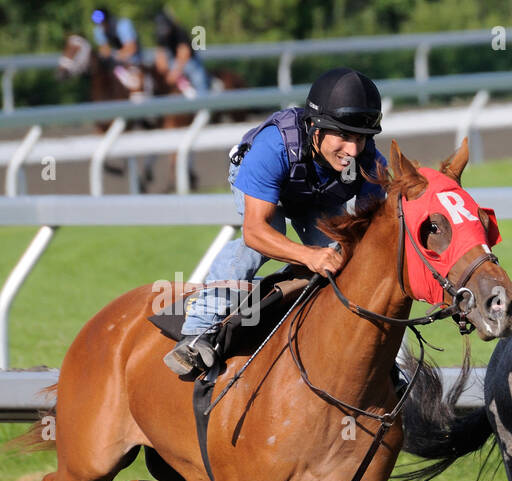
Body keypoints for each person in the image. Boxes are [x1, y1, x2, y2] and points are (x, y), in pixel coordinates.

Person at [166, 67, 387, 376]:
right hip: (266, 188)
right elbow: (256, 232)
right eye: (344, 136)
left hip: (316, 195)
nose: (352, 151)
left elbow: (370, 237)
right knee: (267, 240)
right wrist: (309, 255)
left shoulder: (370, 162)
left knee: (343, 256)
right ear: (316, 128)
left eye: (361, 139)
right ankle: (198, 329)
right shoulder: (274, 146)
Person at [152, 8, 210, 98]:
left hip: (189, 61)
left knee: (198, 78)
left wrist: (174, 73)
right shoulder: (160, 35)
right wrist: (164, 72)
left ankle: (204, 104)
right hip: (174, 61)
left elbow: (184, 54)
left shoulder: (179, 32)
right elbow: (160, 56)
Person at [91, 7, 146, 96]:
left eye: (103, 22)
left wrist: (115, 54)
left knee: (135, 86)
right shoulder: (98, 30)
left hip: (133, 63)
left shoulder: (123, 25)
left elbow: (131, 48)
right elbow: (104, 50)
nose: (102, 26)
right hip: (115, 66)